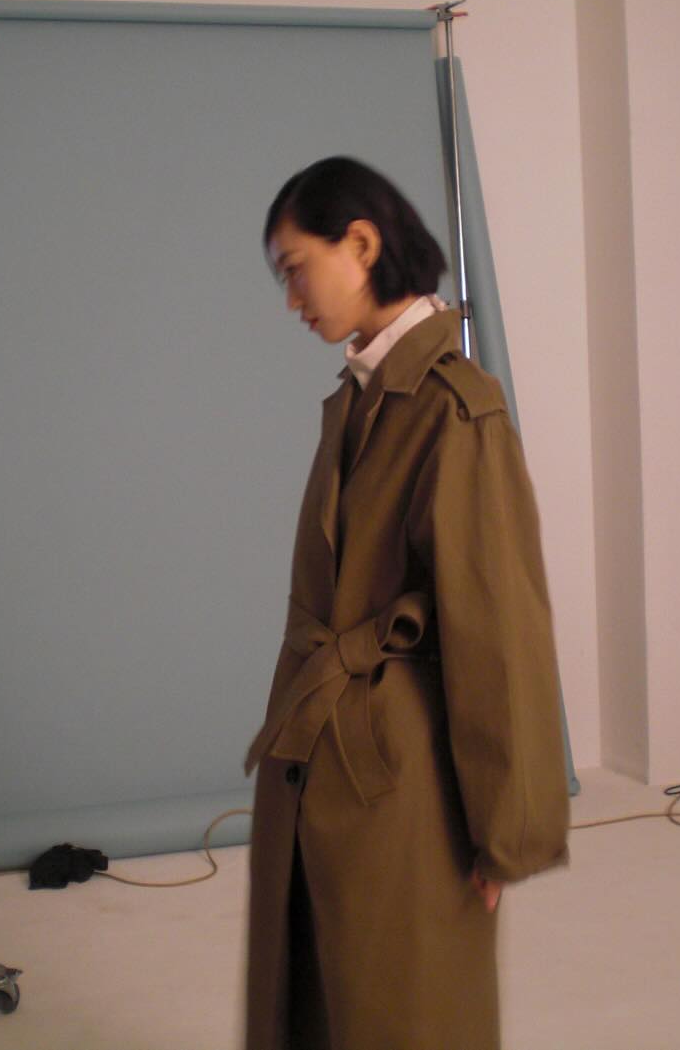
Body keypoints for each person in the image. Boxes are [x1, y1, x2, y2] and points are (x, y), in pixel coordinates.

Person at [244, 157, 571, 1050]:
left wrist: (506, 831)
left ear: (360, 243)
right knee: (322, 995)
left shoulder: (454, 408)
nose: (291, 299)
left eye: (296, 268)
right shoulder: (364, 394)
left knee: (404, 1007)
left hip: (400, 776)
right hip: (329, 755)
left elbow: (498, 631)